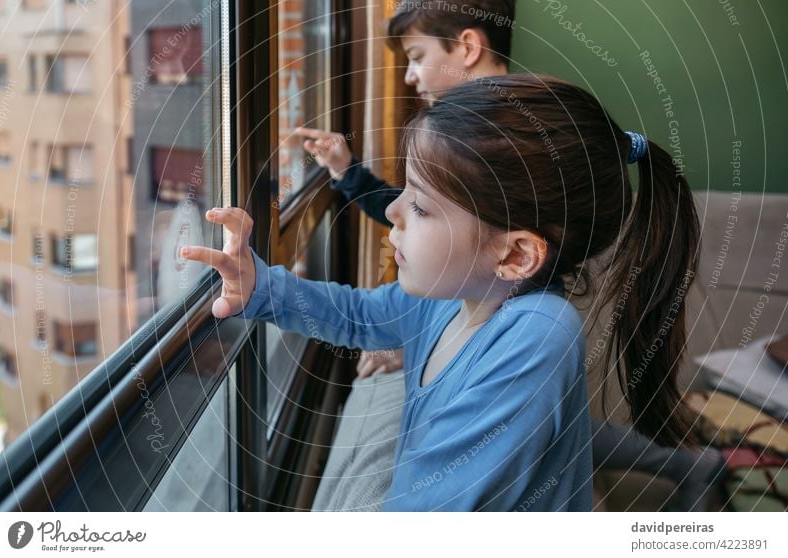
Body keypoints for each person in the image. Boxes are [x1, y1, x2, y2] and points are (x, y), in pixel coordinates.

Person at [182, 72, 703, 511]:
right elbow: (357, 315)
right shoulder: (446, 297)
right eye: (405, 190)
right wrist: (261, 285)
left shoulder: (539, 334)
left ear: (516, 255)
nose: (390, 211)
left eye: (422, 207)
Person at [304, 1, 727, 511]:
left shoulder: (499, 134)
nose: (411, 77)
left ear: (466, 46)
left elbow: (435, 225)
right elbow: (425, 217)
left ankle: (684, 463)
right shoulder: (469, 127)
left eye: (416, 56)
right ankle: (685, 463)